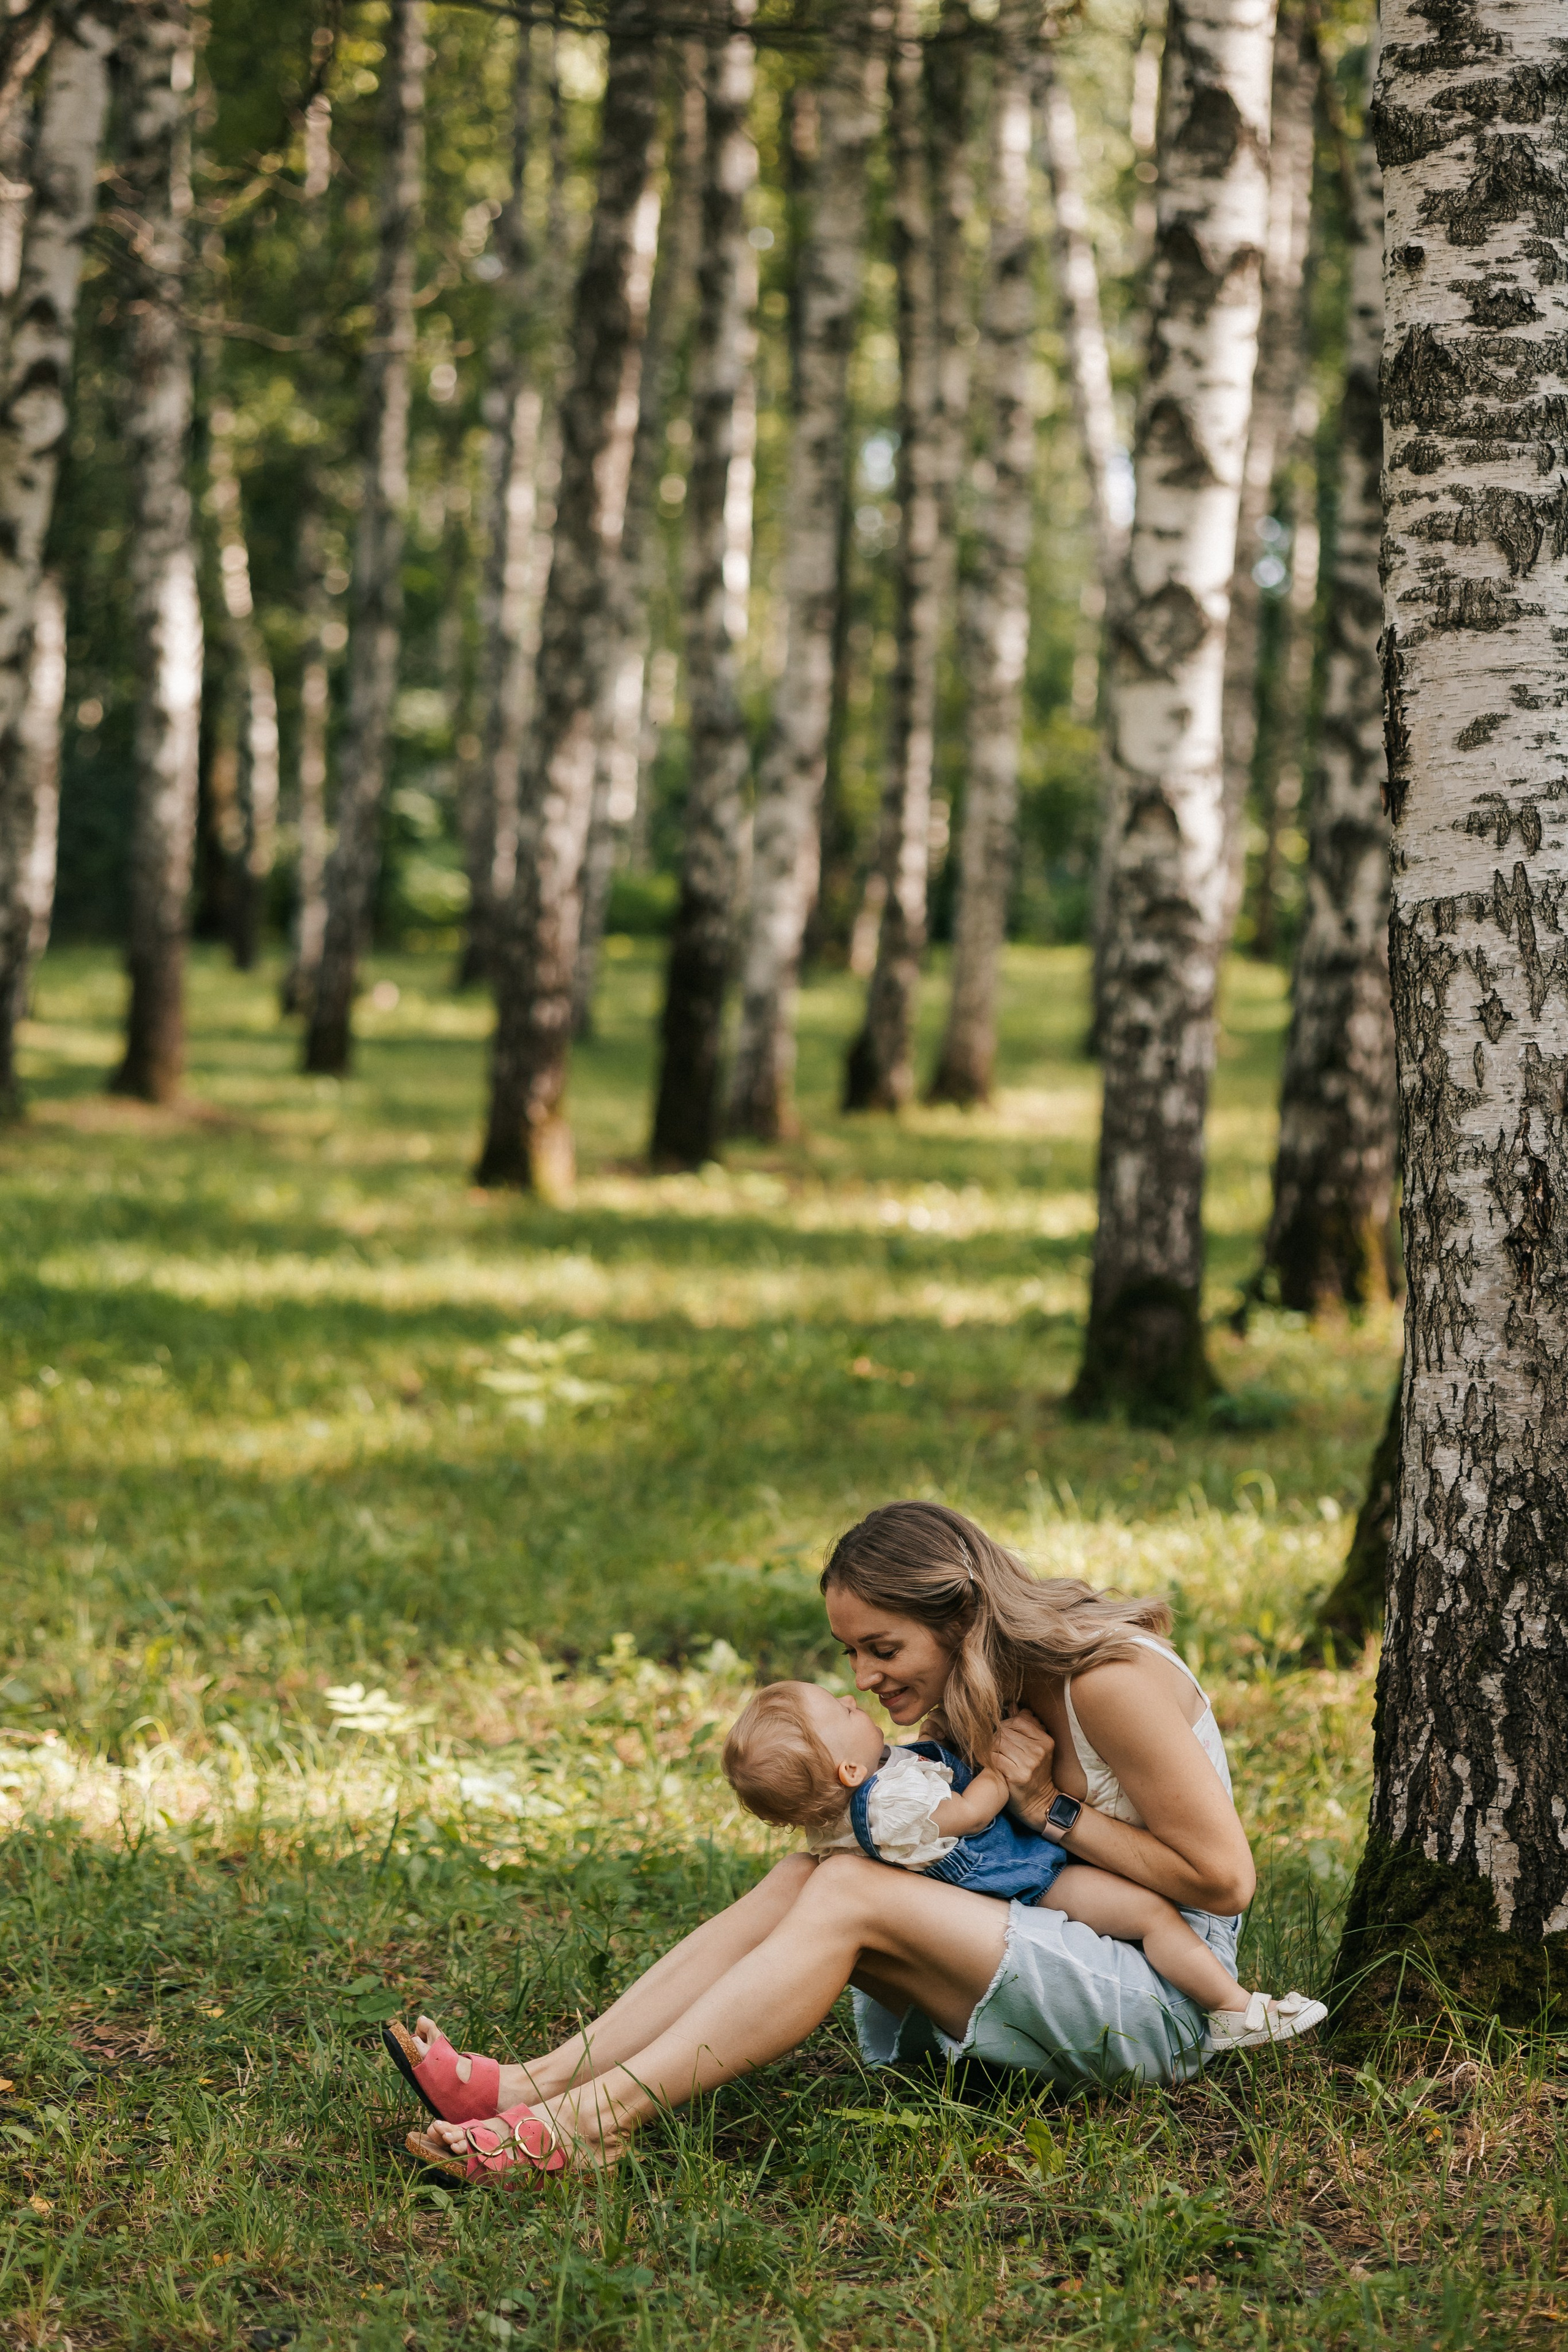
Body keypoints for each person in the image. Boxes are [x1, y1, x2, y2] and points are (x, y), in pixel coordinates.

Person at [391, 1501, 1325, 2184]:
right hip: (1067, 1940)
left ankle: (594, 2124)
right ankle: (529, 2084)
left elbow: (1224, 1881)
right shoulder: (988, 1685)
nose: (864, 1676)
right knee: (814, 1871)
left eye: (882, 1649)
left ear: (960, 1616)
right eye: (850, 1655)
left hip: (1169, 1997)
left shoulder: (1103, 1681)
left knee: (844, 1892)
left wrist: (1046, 1806)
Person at [720, 1678, 1322, 2050]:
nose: (853, 1697)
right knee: (1149, 1915)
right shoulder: (891, 1804)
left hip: (999, 1895)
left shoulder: (851, 1807)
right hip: (1022, 1880)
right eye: (839, 1712)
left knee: (1144, 1915)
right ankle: (1234, 2009)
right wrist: (998, 1765)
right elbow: (972, 1813)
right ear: (848, 1772)